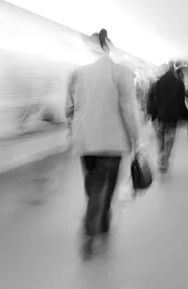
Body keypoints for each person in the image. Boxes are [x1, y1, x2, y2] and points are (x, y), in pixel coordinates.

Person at [66, 29, 142, 260]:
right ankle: (90, 233)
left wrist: (75, 132)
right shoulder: (122, 73)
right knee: (104, 188)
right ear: (108, 46)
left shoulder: (77, 74)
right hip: (111, 140)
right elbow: (129, 111)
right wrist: (136, 140)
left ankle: (102, 222)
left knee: (93, 185)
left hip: (85, 141)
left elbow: (69, 109)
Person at [151, 60, 188, 175]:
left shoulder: (157, 84)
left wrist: (153, 117)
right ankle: (165, 158)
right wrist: (186, 117)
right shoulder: (179, 83)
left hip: (160, 117)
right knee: (170, 139)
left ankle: (161, 157)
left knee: (160, 139)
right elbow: (181, 103)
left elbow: (155, 103)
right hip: (173, 117)